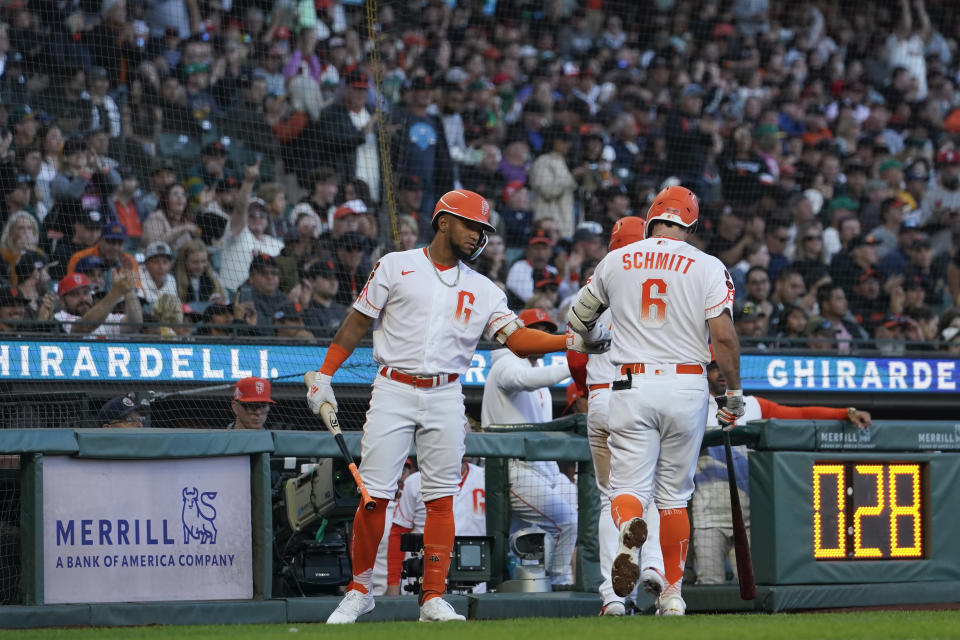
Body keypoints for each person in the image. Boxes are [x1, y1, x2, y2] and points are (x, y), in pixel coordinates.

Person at [307, 189, 607, 624]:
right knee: (374, 497)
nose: (479, 237)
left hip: (447, 392)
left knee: (441, 498)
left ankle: (432, 596)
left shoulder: (485, 288)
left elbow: (519, 340)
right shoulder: (396, 264)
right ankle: (360, 590)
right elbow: (357, 321)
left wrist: (572, 340)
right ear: (443, 221)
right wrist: (326, 374)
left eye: (484, 231)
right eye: (472, 226)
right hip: (393, 387)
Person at [566, 185, 742, 616]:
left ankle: (629, 531)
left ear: (650, 219)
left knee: (625, 490)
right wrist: (734, 395)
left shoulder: (615, 260)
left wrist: (594, 342)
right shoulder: (708, 265)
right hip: (686, 386)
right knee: (674, 498)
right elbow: (722, 337)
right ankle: (672, 594)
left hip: (630, 385)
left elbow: (577, 320)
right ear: (691, 223)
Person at [692, 358, 871, 584]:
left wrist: (844, 412)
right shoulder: (693, 407)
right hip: (707, 515)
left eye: (724, 367)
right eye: (713, 368)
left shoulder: (752, 405)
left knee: (750, 587)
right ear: (703, 372)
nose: (720, 373)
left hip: (749, 516)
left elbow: (800, 415)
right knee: (709, 585)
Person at [568, 216, 666, 616]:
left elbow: (575, 356)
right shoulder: (662, 284)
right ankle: (656, 568)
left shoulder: (597, 283)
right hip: (645, 397)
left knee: (612, 496)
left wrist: (588, 386)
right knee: (655, 493)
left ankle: (612, 596)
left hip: (603, 399)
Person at [481, 308, 578, 587]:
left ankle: (531, 590)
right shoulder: (505, 363)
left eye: (548, 331)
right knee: (565, 523)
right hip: (514, 470)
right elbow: (521, 380)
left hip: (541, 471)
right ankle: (560, 585)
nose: (544, 337)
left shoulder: (538, 371)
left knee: (517, 546)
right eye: (537, 330)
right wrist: (571, 366)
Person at [386, 457, 486, 596]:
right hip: (421, 576)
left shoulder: (485, 477)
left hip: (473, 575)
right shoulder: (414, 481)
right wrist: (393, 583)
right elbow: (398, 534)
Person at [55, 270, 143, 336]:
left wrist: (128, 290)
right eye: (74, 294)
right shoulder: (58, 318)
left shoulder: (105, 317)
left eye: (86, 292)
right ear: (62, 302)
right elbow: (84, 327)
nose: (82, 298)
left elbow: (135, 324)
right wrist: (115, 293)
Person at [139, 241, 179, 309]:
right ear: (146, 264)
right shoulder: (138, 279)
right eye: (155, 262)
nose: (161, 267)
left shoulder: (171, 280)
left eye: (165, 262)